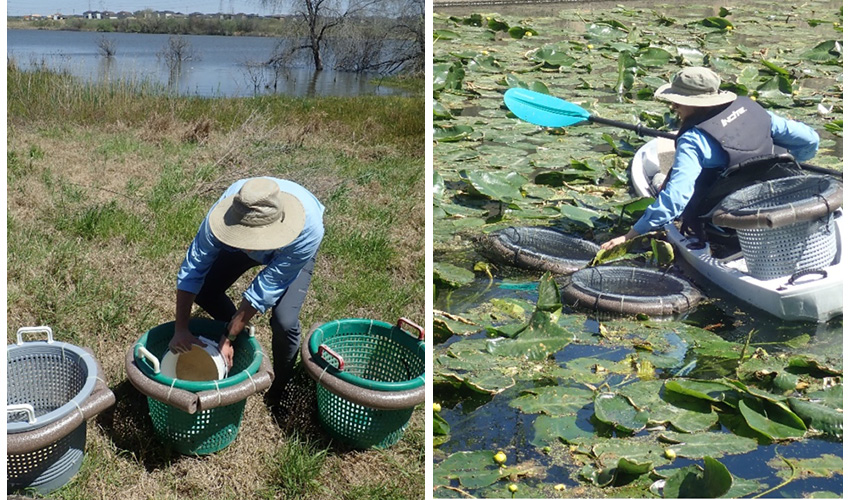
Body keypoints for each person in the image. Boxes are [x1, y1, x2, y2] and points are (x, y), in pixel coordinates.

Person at [600, 67, 820, 251]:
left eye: (676, 103)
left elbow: (676, 199)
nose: (674, 108)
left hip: (729, 214)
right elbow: (809, 141)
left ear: (689, 103)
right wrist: (779, 162)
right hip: (776, 195)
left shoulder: (693, 139)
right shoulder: (754, 109)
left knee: (662, 179)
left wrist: (630, 235)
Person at [169, 176, 325, 404]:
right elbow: (193, 268)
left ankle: (281, 386)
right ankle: (235, 340)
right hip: (240, 235)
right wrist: (181, 328)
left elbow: (265, 287)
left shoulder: (308, 229)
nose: (249, 246)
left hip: (290, 248)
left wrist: (229, 334)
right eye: (243, 236)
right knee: (205, 290)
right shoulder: (222, 215)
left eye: (253, 239)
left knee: (284, 321)